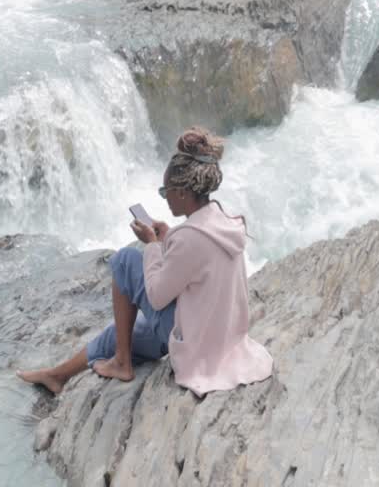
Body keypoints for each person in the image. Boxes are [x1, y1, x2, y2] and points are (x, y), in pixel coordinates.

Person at [16, 127, 273, 397]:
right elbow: (197, 260)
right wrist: (168, 239)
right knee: (125, 330)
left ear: (183, 193)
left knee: (125, 260)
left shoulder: (190, 238)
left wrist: (151, 245)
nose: (165, 197)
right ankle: (58, 376)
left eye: (166, 191)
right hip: (217, 337)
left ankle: (122, 363)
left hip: (196, 348)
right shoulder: (222, 223)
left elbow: (157, 296)